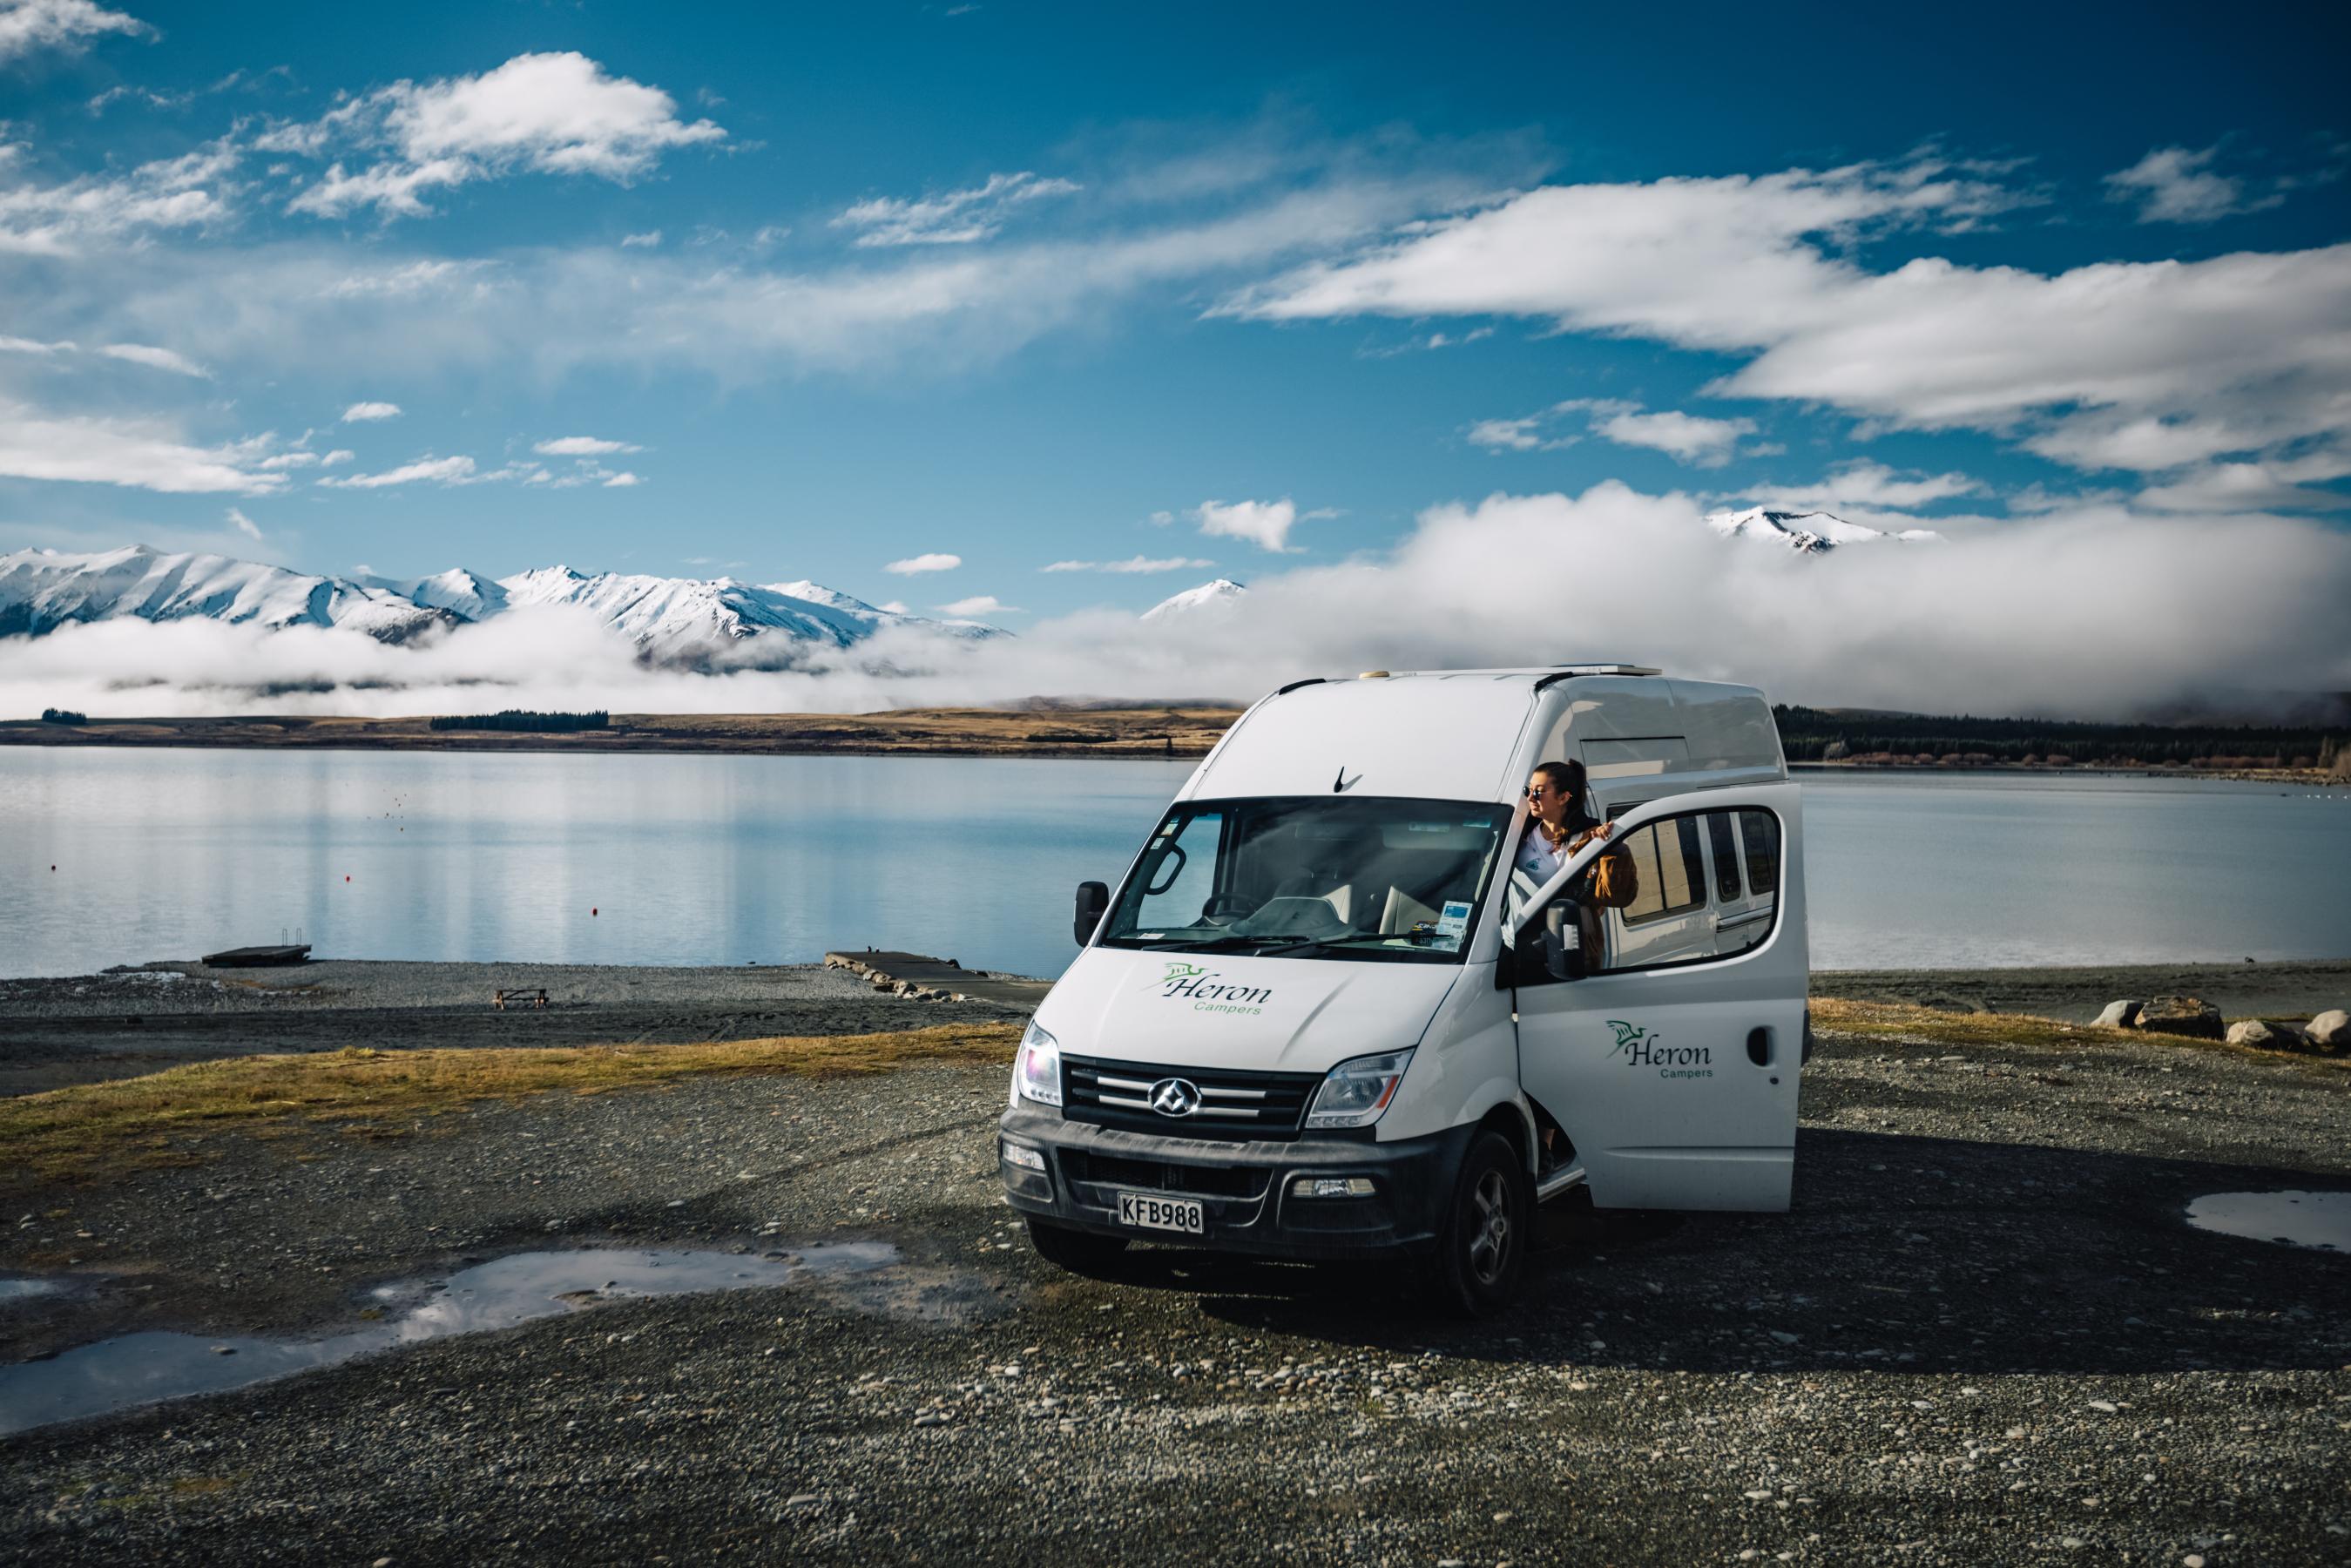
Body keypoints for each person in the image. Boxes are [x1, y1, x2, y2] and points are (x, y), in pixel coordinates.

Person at [1515, 759, 1612, 884]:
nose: (1530, 797)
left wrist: (1612, 850)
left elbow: (1617, 896)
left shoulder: (1589, 838)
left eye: (1538, 792)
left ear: (1563, 798)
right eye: (1528, 790)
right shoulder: (1520, 830)